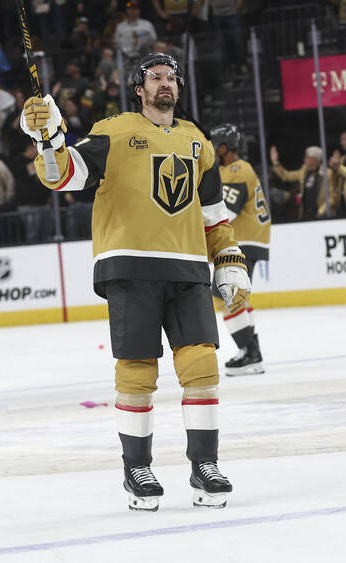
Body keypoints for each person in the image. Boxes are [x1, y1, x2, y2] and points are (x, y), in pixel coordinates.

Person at [19, 52, 250, 511]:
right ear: (138, 88)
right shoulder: (113, 131)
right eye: (155, 77)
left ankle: (205, 463)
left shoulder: (197, 141)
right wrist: (47, 137)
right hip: (130, 266)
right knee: (138, 373)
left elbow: (213, 218)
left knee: (202, 368)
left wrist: (228, 260)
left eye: (171, 77)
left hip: (187, 268)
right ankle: (136, 468)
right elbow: (62, 176)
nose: (165, 83)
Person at [209, 124, 270, 376]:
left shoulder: (236, 170)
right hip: (249, 239)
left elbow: (228, 212)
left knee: (226, 296)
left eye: (215, 145)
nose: (212, 149)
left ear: (224, 147)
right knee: (233, 296)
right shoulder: (232, 169)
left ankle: (250, 353)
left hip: (244, 240)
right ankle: (251, 351)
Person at [270, 145, 329, 219]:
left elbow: (332, 197)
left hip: (323, 216)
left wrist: (321, 211)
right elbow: (286, 176)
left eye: (307, 157)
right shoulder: (304, 172)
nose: (304, 160)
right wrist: (275, 162)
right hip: (306, 216)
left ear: (315, 159)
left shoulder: (327, 174)